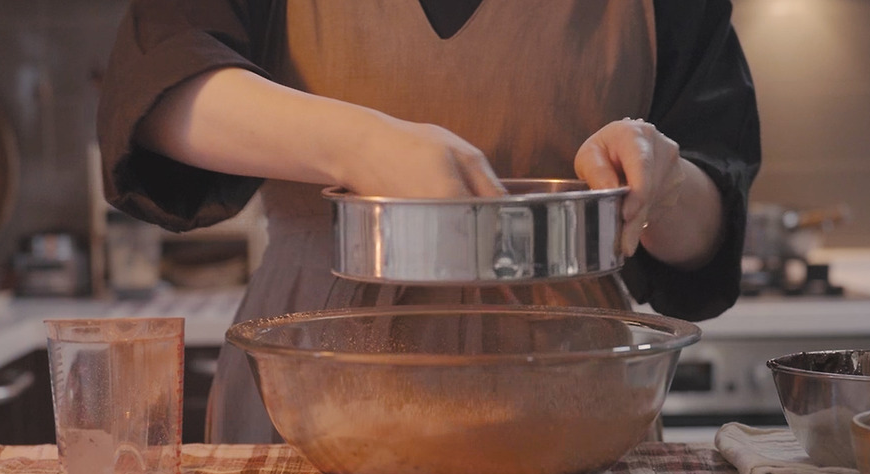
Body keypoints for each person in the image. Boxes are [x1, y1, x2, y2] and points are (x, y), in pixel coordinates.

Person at [97, 0, 761, 443]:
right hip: (310, 387)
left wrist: (661, 183)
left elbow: (706, 234)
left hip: (576, 401)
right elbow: (154, 85)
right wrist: (357, 143)